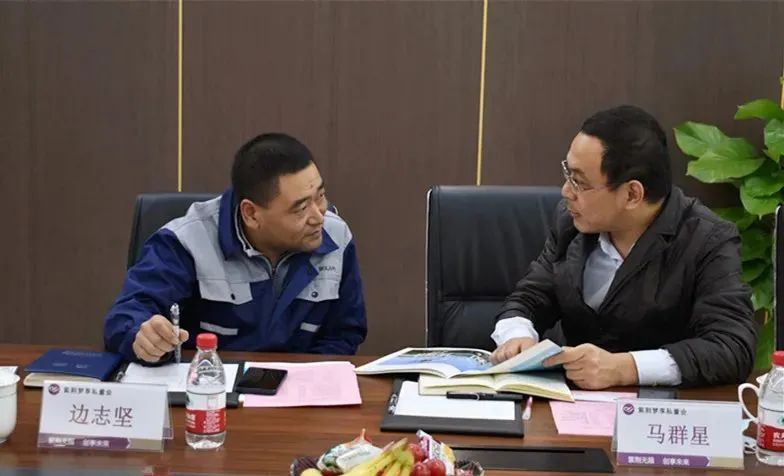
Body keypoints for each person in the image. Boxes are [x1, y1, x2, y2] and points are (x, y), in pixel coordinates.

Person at [490, 105, 757, 389]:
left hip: (659, 409)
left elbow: (732, 347)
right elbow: (530, 296)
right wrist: (517, 335)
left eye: (579, 182)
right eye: (567, 174)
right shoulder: (571, 223)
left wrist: (625, 368)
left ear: (632, 194)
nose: (566, 191)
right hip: (571, 403)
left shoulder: (707, 240)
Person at [104, 133, 367, 363]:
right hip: (210, 387)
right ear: (251, 213)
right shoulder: (187, 242)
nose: (319, 216)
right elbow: (127, 315)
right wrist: (142, 336)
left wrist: (309, 379)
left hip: (301, 393)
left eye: (320, 196)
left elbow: (344, 333)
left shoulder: (336, 236)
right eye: (300, 208)